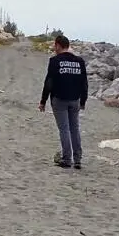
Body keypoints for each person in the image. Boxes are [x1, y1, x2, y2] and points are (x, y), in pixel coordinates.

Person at [38, 34, 88, 169]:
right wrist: (83, 101)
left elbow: (49, 82)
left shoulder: (55, 61)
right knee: (74, 129)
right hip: (75, 100)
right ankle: (77, 159)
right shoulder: (79, 61)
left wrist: (43, 101)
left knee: (64, 129)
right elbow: (84, 83)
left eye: (55, 45)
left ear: (58, 46)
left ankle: (67, 159)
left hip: (59, 100)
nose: (54, 48)